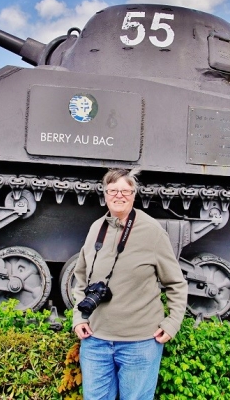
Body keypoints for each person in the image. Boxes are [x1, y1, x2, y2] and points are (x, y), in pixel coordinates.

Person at [72, 168, 187, 400]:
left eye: (125, 190)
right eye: (113, 190)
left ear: (134, 194)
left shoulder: (152, 231)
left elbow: (176, 282)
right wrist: (79, 317)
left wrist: (173, 322)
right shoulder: (96, 228)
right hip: (95, 341)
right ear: (105, 194)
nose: (119, 195)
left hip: (140, 343)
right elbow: (81, 279)